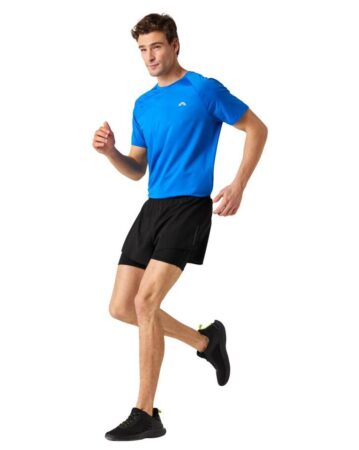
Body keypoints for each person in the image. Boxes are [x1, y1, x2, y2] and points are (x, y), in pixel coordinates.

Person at [92, 13, 268, 441]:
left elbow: (256, 128)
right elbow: (137, 169)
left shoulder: (203, 89)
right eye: (142, 50)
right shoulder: (143, 104)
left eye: (156, 46)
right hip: (152, 208)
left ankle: (145, 412)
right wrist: (112, 153)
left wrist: (238, 184)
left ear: (174, 45)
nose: (149, 56)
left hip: (189, 206)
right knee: (122, 307)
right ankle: (206, 343)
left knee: (146, 301)